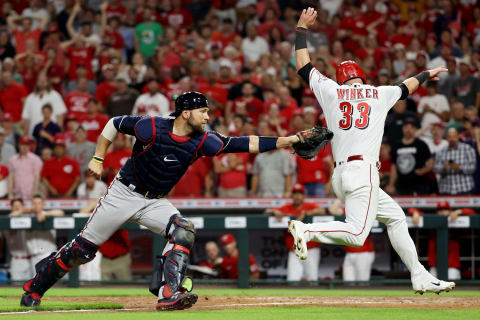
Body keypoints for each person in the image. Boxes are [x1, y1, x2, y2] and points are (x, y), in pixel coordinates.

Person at [20, 91, 309, 310]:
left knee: (183, 229)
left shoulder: (204, 140)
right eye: (203, 112)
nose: (208, 117)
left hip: (154, 200)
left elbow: (248, 143)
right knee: (80, 251)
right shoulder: (152, 127)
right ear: (186, 113)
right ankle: (34, 288)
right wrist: (98, 157)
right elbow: (113, 123)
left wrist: (292, 139)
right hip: (123, 192)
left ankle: (168, 293)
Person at [288, 8, 454, 295]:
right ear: (363, 78)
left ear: (341, 80)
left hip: (340, 175)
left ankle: (420, 275)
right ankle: (308, 230)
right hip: (363, 173)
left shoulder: (331, 91)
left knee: (396, 217)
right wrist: (428, 73)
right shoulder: (379, 93)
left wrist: (301, 29)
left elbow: (303, 65)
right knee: (356, 235)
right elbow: (407, 86)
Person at [265, 184, 324, 282]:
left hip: (311, 249)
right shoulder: (287, 207)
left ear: (304, 196)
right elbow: (266, 211)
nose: (297, 196)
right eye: (295, 193)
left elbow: (322, 211)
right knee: (292, 280)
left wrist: (306, 213)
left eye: (300, 193)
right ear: (292, 195)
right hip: (294, 251)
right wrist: (275, 212)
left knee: (312, 281)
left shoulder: (310, 206)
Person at [8, 195, 64, 280]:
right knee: (35, 287)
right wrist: (22, 210)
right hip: (33, 259)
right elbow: (10, 217)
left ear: (43, 205)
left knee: (51, 284)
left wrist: (45, 213)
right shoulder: (26, 217)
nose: (36, 205)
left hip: (48, 255)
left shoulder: (49, 215)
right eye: (34, 203)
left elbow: (61, 212)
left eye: (39, 203)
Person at [387, 118, 434, 195]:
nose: (409, 130)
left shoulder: (421, 144)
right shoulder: (396, 146)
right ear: (402, 129)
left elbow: (431, 161)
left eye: (412, 128)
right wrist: (391, 184)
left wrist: (424, 170)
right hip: (402, 186)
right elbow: (394, 167)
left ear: (415, 130)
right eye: (406, 127)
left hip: (420, 186)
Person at [434, 128, 476, 195]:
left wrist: (459, 167)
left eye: (454, 136)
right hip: (446, 189)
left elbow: (473, 168)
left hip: (464, 188)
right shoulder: (441, 151)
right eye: (449, 137)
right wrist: (443, 167)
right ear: (446, 138)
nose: (452, 139)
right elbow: (435, 169)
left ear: (458, 136)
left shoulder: (468, 149)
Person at [40, 134, 81, 198]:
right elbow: (43, 178)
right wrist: (51, 188)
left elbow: (77, 179)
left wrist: (70, 192)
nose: (58, 149)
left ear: (65, 149)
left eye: (60, 147)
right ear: (53, 149)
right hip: (52, 194)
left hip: (69, 195)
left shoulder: (72, 162)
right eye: (56, 147)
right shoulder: (48, 162)